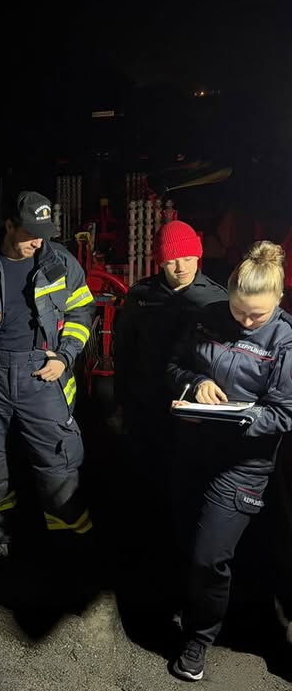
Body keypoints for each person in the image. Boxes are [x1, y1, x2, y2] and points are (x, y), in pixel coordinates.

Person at [0, 190, 95, 566]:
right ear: (9, 225)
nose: (38, 242)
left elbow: (81, 312)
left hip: (42, 374)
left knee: (57, 462)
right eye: (30, 233)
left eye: (43, 234)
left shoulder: (60, 262)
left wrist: (65, 357)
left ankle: (69, 539)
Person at [167, 241, 292, 681]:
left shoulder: (285, 342)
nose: (245, 322)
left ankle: (200, 637)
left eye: (257, 315)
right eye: (239, 311)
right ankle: (193, 603)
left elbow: (284, 412)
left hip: (243, 465)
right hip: (193, 451)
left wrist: (241, 417)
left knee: (209, 557)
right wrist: (196, 383)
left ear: (279, 299)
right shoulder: (209, 318)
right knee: (185, 539)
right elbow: (173, 366)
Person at [113, 221, 227, 559]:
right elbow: (125, 350)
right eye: (172, 261)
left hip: (193, 410)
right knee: (146, 477)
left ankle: (185, 549)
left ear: (199, 256)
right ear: (159, 261)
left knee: (189, 482)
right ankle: (145, 547)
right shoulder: (140, 296)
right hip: (147, 405)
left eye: (188, 258)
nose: (181, 267)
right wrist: (122, 401)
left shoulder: (217, 299)